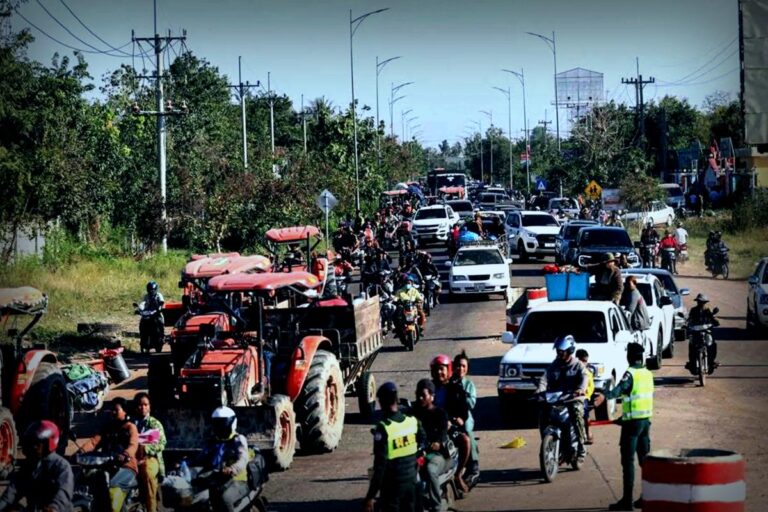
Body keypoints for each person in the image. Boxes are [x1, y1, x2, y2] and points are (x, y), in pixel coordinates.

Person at [594, 343, 653, 511]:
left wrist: (604, 396)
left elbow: (619, 390)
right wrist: (623, 418)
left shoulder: (631, 373)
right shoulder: (647, 373)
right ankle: (647, 497)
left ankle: (627, 501)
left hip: (632, 425)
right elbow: (639, 399)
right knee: (644, 462)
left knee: (628, 462)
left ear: (629, 357)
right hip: (645, 422)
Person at [363, 382, 424, 512]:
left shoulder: (384, 428)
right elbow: (422, 441)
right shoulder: (412, 422)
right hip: (412, 484)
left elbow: (380, 467)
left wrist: (370, 497)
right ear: (397, 399)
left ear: (381, 403)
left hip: (393, 489)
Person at [78, 397, 139, 512]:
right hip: (107, 465)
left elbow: (133, 444)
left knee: (113, 493)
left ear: (125, 411)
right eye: (112, 410)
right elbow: (93, 442)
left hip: (126, 466)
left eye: (116, 410)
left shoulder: (130, 427)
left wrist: (125, 454)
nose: (113, 412)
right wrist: (81, 452)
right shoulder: (108, 427)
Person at [535, 335, 588, 464]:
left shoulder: (578, 365)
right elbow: (544, 378)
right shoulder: (555, 364)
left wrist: (580, 389)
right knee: (543, 415)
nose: (559, 353)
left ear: (570, 351)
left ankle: (581, 447)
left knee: (576, 414)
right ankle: (548, 443)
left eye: (562, 351)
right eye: (558, 351)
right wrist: (540, 390)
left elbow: (584, 378)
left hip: (573, 398)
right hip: (556, 398)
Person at [0, 420, 74, 512]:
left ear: (47, 444)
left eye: (35, 443)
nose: (30, 447)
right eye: (29, 443)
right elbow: (12, 491)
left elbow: (64, 492)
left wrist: (54, 508)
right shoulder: (28, 466)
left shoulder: (61, 466)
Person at [195, 407, 251, 512]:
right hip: (216, 479)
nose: (220, 427)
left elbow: (243, 458)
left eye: (222, 423)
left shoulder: (238, 439)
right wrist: (184, 463)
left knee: (225, 498)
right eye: (217, 423)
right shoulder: (213, 440)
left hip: (237, 480)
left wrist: (232, 469)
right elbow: (201, 457)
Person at [430, 355, 471, 493]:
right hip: (431, 428)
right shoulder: (429, 387)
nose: (439, 372)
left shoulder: (455, 388)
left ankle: (458, 474)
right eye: (436, 370)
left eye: (442, 369)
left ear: (448, 370)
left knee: (466, 441)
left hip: (450, 427)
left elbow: (464, 410)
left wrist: (457, 419)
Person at [411, 379, 451, 512]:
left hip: (437, 456)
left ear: (432, 396)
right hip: (416, 453)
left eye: (423, 395)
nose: (420, 398)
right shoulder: (412, 414)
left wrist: (437, 444)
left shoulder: (440, 414)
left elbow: (442, 436)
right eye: (418, 395)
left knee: (430, 469)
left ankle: (436, 506)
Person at [132, 392, 167, 512]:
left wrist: (145, 448)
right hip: (132, 458)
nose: (143, 408)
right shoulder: (131, 423)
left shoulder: (154, 423)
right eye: (140, 405)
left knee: (147, 474)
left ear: (150, 406)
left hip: (151, 458)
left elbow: (161, 443)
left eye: (146, 405)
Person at [452, 351, 479, 484]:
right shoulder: (449, 382)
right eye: (458, 365)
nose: (460, 369)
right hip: (450, 417)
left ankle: (474, 467)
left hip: (465, 417)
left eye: (463, 366)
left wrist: (462, 392)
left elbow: (471, 404)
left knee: (468, 432)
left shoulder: (469, 385)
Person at [687, 294, 720, 374]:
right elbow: (689, 319)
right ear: (697, 302)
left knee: (712, 344)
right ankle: (692, 363)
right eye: (699, 302)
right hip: (695, 332)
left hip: (706, 331)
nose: (701, 303)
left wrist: (715, 321)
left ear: (705, 302)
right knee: (691, 345)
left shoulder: (707, 310)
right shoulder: (693, 310)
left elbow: (713, 319)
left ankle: (711, 361)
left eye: (702, 302)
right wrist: (687, 324)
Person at [575, 349, 595, 444]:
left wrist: (587, 394)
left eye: (585, 361)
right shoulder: (572, 370)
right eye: (582, 361)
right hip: (571, 396)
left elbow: (591, 386)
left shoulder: (588, 372)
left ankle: (588, 433)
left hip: (584, 398)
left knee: (585, 416)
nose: (584, 363)